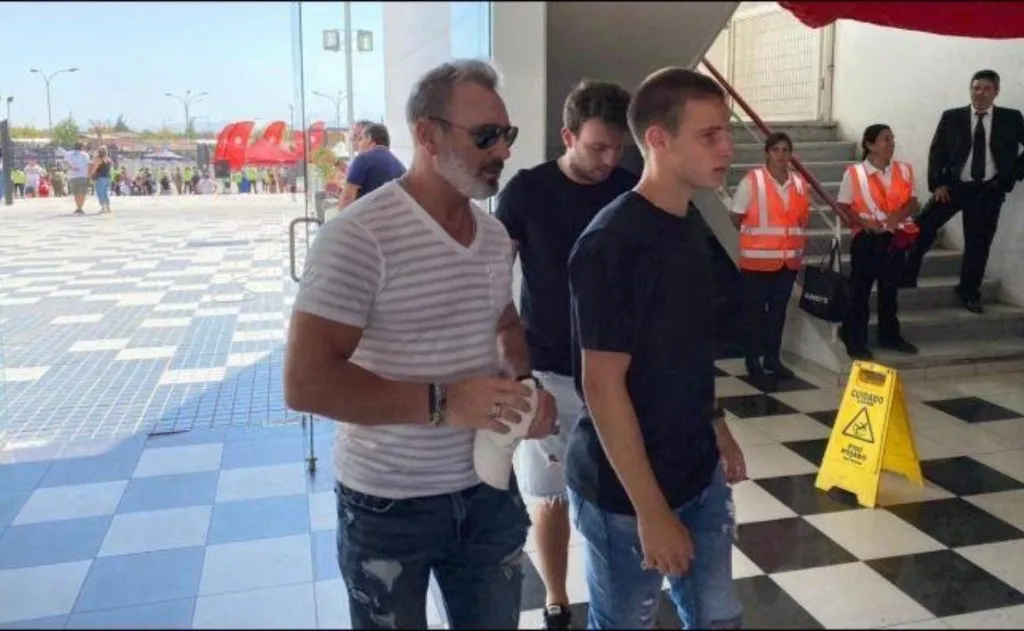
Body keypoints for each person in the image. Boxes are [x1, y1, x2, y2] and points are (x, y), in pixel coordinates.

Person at [284, 59, 557, 630]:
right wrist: (444, 402)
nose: (503, 151)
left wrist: (523, 388)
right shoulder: (359, 238)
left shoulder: (491, 235)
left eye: (507, 135)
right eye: (486, 136)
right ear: (427, 135)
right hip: (388, 503)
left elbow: (503, 321)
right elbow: (306, 382)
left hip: (486, 491)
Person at [566, 67, 745, 629]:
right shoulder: (612, 243)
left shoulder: (688, 221)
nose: (728, 148)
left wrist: (715, 421)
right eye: (709, 135)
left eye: (726, 132)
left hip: (696, 469)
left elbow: (685, 348)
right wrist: (652, 511)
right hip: (626, 494)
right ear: (659, 140)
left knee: (718, 618)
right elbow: (601, 385)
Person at [494, 79, 636, 630]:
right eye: (597, 146)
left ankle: (622, 589)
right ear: (567, 136)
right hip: (549, 366)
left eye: (617, 148)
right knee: (549, 495)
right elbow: (493, 281)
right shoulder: (526, 192)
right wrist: (512, 369)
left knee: (621, 487)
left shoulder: (630, 190)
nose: (608, 160)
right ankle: (556, 597)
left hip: (620, 368)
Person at [902, 69, 1024, 314]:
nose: (980, 93)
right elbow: (937, 152)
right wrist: (937, 184)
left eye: (986, 89)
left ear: (996, 92)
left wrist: (1010, 176)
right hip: (954, 187)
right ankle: (906, 274)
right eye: (976, 88)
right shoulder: (952, 117)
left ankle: (969, 291)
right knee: (922, 226)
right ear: (970, 90)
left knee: (979, 244)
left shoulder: (1011, 118)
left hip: (989, 190)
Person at [730, 131, 810, 381]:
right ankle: (753, 359)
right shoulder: (752, 181)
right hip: (757, 260)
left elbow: (801, 218)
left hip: (788, 260)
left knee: (778, 312)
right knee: (755, 313)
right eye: (776, 150)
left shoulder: (798, 183)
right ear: (767, 152)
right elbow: (736, 216)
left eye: (786, 150)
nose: (781, 155)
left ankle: (772, 359)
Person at [837, 124, 920, 360]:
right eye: (885, 139)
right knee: (860, 291)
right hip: (867, 239)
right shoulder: (854, 173)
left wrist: (896, 218)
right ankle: (855, 339)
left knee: (890, 289)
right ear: (870, 145)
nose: (891, 143)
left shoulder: (903, 170)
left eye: (892, 139)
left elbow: (913, 202)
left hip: (895, 237)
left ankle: (890, 335)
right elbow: (843, 206)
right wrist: (865, 223)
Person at [339, 123, 407, 209]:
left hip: (366, 219)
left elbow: (347, 198)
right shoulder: (400, 166)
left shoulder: (363, 160)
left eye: (361, 139)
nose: (358, 144)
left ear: (369, 139)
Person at [64, 142, 91, 214]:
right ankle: (80, 207)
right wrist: (89, 175)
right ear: (81, 147)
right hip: (82, 175)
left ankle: (78, 207)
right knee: (83, 193)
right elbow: (88, 165)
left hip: (72, 176)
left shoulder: (68, 154)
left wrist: (71, 168)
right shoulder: (85, 154)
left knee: (76, 193)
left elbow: (65, 163)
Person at [90, 146, 113, 214]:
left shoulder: (98, 159)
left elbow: (95, 168)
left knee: (100, 193)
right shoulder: (109, 159)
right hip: (107, 178)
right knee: (106, 193)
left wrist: (91, 174)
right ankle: (108, 208)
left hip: (100, 178)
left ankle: (103, 208)